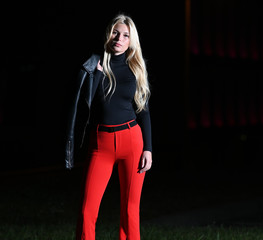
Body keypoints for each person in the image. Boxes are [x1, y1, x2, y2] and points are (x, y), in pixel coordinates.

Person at [64, 13, 152, 240]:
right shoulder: (93, 66)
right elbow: (84, 106)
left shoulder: (136, 68)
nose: (119, 38)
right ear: (108, 34)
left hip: (132, 140)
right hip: (100, 143)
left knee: (130, 211)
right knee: (87, 211)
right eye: (115, 32)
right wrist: (96, 76)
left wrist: (148, 149)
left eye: (125, 35)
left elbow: (143, 110)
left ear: (131, 40)